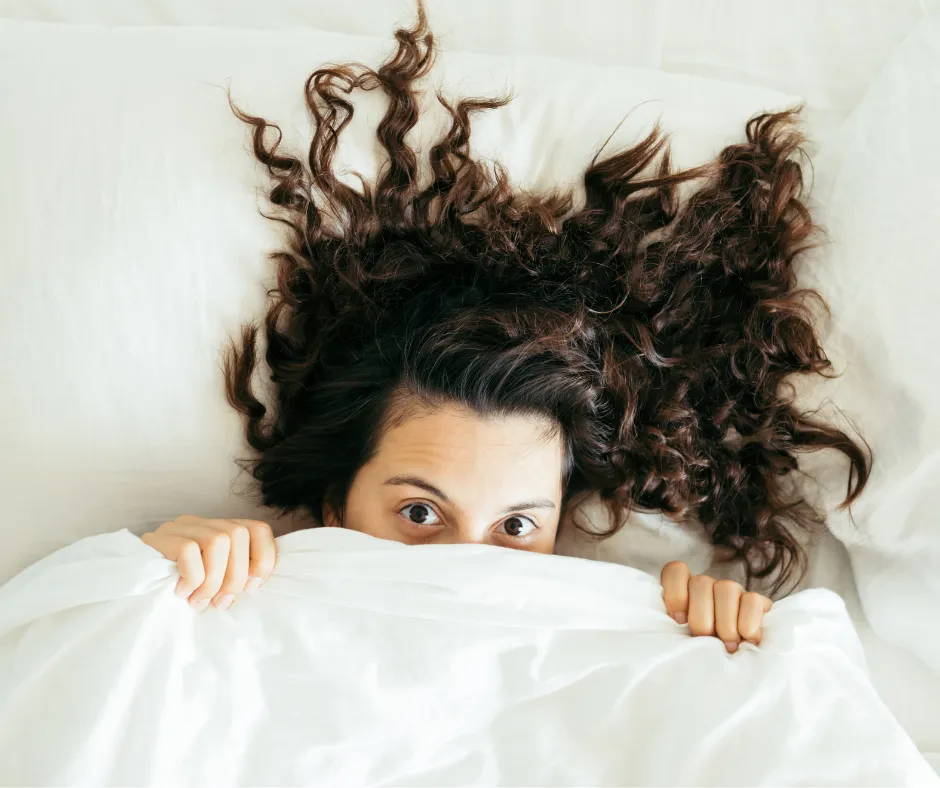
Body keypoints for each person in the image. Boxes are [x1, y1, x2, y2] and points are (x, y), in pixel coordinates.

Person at [141, 4, 869, 655]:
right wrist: (144, 577)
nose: (469, 567)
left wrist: (729, 648)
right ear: (335, 506)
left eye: (517, 527)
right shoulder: (215, 616)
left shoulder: (614, 648)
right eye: (420, 512)